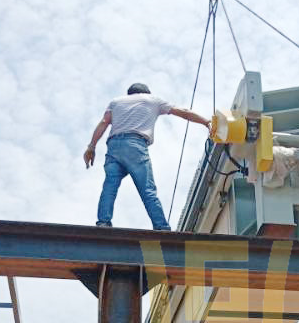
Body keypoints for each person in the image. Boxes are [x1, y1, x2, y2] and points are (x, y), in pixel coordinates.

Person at [84, 83, 210, 230]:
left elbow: (104, 122)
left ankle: (103, 222)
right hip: (135, 145)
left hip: (113, 147)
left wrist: (91, 147)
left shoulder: (116, 102)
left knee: (109, 186)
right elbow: (184, 112)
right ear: (147, 93)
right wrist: (206, 122)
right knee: (147, 189)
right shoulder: (152, 100)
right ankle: (161, 227)